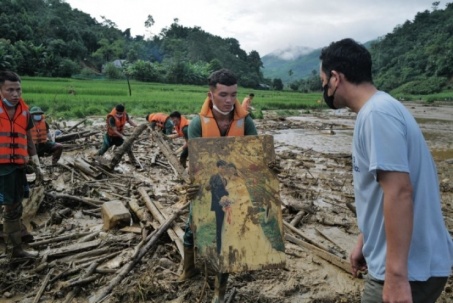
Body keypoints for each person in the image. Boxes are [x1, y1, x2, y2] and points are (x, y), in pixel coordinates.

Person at [319, 38, 453, 303]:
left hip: (409, 271)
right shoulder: (381, 109)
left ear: (335, 78)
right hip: (410, 264)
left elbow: (400, 192)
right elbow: (382, 191)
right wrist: (365, 242)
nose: (323, 88)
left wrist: (396, 277)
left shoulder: (376, 115)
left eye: (323, 81)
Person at [179, 68, 257, 303]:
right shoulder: (197, 124)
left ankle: (219, 290)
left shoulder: (246, 122)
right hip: (206, 184)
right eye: (223, 95)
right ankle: (188, 268)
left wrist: (268, 167)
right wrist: (190, 184)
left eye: (233, 95)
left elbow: (255, 156)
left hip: (233, 185)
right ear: (210, 94)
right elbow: (195, 163)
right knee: (191, 228)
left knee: (228, 235)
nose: (229, 101)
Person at [0, 71, 43, 258]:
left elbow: (28, 137)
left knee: (16, 203)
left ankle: (14, 244)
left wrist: (36, 160)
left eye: (18, 90)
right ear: (1, 89)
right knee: (11, 206)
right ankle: (14, 249)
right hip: (2, 167)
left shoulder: (25, 111)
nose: (15, 94)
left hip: (17, 165)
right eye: (10, 90)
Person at [205, 160, 229, 254]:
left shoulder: (225, 178)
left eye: (224, 168)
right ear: (218, 168)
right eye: (221, 167)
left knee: (226, 224)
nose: (223, 169)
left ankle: (225, 245)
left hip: (226, 204)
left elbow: (226, 190)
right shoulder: (214, 177)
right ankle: (219, 249)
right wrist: (220, 200)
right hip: (218, 204)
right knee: (219, 226)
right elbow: (211, 189)